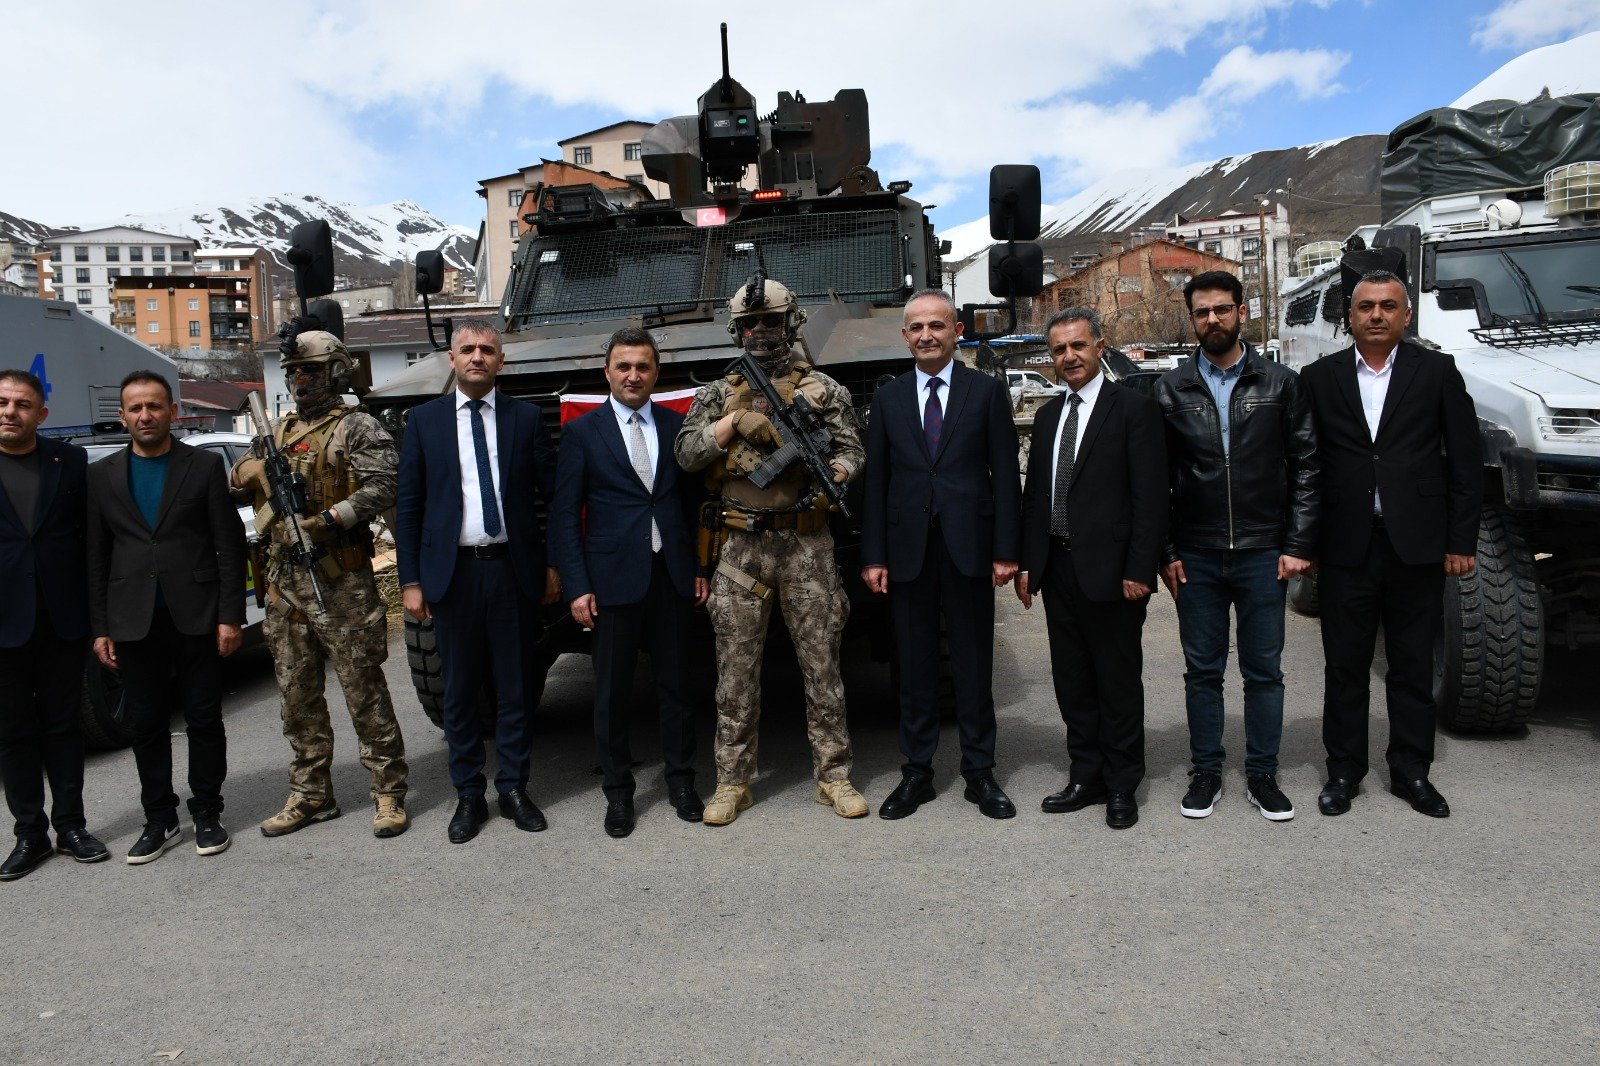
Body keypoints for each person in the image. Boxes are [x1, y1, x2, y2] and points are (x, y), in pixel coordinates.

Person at [675, 275, 867, 827]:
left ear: (791, 324)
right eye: (751, 323)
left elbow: (854, 449)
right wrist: (732, 423)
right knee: (735, 672)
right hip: (741, 546)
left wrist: (837, 472)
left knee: (822, 665)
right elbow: (686, 454)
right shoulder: (718, 393)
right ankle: (732, 782)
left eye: (772, 321)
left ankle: (834, 776)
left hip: (807, 543)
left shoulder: (823, 390)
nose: (761, 330)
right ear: (738, 330)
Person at [1298, 271, 1481, 819]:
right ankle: (1343, 772)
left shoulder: (1438, 372)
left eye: (1388, 306)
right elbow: (1304, 466)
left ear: (1406, 315)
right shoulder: (1319, 378)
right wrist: (1304, 541)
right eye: (1365, 307)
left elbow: (1465, 462)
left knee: (1410, 666)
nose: (1376, 315)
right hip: (1345, 546)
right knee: (1345, 667)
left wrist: (1460, 539)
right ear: (1349, 317)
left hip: (1417, 545)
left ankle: (1411, 771)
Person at [232, 330, 410, 840]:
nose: (300, 381)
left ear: (335, 372)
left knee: (363, 690)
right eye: (293, 373)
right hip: (285, 584)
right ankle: (311, 793)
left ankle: (388, 790)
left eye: (310, 371)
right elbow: (238, 480)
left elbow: (385, 485)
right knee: (297, 695)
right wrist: (254, 473)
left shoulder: (358, 426)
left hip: (341, 580)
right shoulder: (278, 430)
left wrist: (330, 518)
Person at [1154, 271, 1317, 822]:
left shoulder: (1281, 383)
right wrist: (1167, 551)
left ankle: (1263, 774)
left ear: (1241, 312)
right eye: (1202, 312)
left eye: (1222, 309)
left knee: (1263, 670)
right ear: (1192, 319)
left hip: (1263, 550)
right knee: (1202, 671)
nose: (1213, 320)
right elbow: (1157, 480)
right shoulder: (1171, 389)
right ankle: (1206, 771)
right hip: (1196, 553)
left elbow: (1306, 467)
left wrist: (1297, 543)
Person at [396, 317, 560, 843]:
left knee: (516, 688)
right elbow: (409, 507)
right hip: (453, 574)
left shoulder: (525, 418)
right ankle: (468, 793)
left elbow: (552, 497)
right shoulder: (424, 422)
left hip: (513, 569)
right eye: (467, 349)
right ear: (452, 359)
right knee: (460, 693)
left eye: (487, 350)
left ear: (500, 361)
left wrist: (554, 564)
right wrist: (410, 580)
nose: (477, 357)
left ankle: (513, 788)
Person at [861, 289, 1022, 821]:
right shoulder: (888, 399)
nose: (927, 335)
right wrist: (874, 555)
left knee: (973, 663)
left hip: (970, 548)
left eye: (937, 325)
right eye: (917, 327)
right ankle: (917, 773)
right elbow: (877, 482)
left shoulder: (986, 392)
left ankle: (980, 772)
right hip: (907, 551)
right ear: (904, 336)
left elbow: (1006, 476)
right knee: (914, 665)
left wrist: (1006, 550)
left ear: (957, 331)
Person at [550, 327, 707, 838]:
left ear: (656, 373)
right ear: (608, 373)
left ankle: (682, 782)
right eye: (624, 366)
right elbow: (565, 514)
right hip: (611, 580)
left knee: (678, 689)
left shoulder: (678, 427)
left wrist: (698, 568)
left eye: (643, 366)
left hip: (672, 576)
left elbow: (692, 506)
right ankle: (618, 793)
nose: (633, 375)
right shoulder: (583, 433)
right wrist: (577, 585)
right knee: (612, 695)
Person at [88, 371, 246, 863]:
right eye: (135, 408)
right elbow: (96, 556)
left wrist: (230, 616)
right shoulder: (102, 475)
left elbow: (228, 546)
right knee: (146, 724)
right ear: (122, 416)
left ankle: (207, 812)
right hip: (132, 619)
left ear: (172, 411)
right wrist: (100, 626)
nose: (145, 415)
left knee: (203, 719)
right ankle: (160, 818)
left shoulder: (202, 467)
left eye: (154, 406)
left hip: (196, 615)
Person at [1016, 308, 1166, 829]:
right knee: (1073, 681)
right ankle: (1086, 775)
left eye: (1078, 345)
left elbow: (1151, 498)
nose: (1069, 357)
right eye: (1059, 350)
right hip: (1058, 570)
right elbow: (1036, 497)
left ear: (1100, 347)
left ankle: (1122, 784)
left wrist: (1141, 569)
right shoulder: (1047, 417)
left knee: (1117, 682)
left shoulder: (1134, 410)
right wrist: (1029, 565)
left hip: (1115, 573)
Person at [0, 369, 108, 881]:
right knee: (12, 732)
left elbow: (89, 541)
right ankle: (30, 834)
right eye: (3, 402)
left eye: (22, 404)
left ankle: (71, 827)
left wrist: (98, 615)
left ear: (40, 414)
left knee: (63, 726)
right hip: (3, 625)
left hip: (62, 619)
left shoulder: (71, 461)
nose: (10, 411)